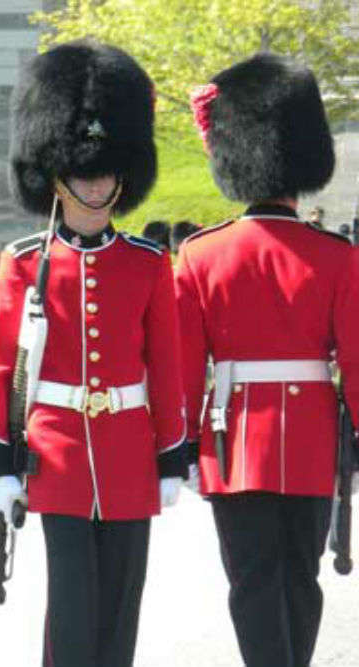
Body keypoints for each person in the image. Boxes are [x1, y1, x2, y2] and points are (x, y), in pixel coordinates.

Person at [0, 41, 187, 667]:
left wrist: (171, 452)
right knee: (70, 605)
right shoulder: (24, 261)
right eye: (83, 171)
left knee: (121, 608)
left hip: (127, 453)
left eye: (105, 171)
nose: (95, 182)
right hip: (54, 454)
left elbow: (166, 365)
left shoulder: (148, 264)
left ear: (124, 175)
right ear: (55, 174)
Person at [178, 53, 359, 667]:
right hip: (311, 440)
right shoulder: (335, 256)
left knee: (251, 580)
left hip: (232, 439)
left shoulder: (202, 255)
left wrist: (173, 442)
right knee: (301, 579)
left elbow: (182, 367)